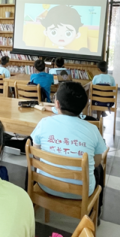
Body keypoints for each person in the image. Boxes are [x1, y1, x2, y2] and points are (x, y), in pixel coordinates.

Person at [31, 82, 107, 216]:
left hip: (46, 185)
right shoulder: (93, 129)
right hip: (81, 192)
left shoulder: (44, 123)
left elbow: (36, 156)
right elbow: (95, 162)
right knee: (99, 169)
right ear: (84, 107)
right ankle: (94, 214)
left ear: (57, 104)